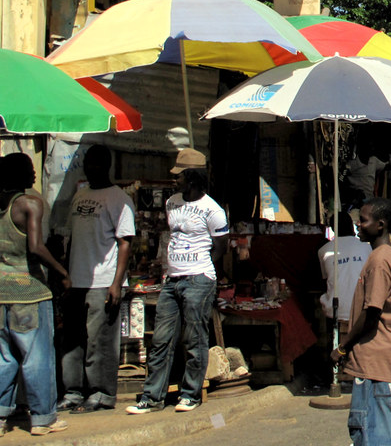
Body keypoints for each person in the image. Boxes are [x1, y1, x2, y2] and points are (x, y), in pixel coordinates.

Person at [127, 149, 228, 414]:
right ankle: (152, 397)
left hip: (198, 280)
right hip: (171, 280)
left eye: (179, 176)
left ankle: (190, 394)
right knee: (161, 339)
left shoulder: (212, 210)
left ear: (192, 178)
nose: (175, 180)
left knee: (194, 339)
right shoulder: (171, 202)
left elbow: (220, 247)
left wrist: (201, 270)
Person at [58, 145, 135, 413]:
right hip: (77, 280)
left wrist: (116, 283)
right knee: (73, 340)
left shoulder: (119, 199)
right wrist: (67, 276)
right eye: (88, 164)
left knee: (99, 341)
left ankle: (101, 393)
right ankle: (73, 391)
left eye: (96, 164)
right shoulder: (80, 196)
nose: (90, 169)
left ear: (107, 166)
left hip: (103, 281)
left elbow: (125, 242)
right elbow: (70, 238)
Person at [335, 198, 391, 446]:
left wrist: (342, 346)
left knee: (372, 434)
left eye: (363, 220)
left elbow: (372, 313)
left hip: (376, 362)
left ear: (380, 225)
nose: (357, 225)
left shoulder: (380, 260)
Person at [0, 153, 70, 436]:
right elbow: (35, 247)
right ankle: (43, 418)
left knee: (5, 357)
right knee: (37, 356)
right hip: (29, 291)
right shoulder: (30, 203)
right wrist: (61, 272)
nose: (33, 173)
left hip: (1, 291)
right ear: (19, 174)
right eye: (29, 168)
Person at [318, 213, 370, 337]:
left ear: (332, 229)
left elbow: (325, 279)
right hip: (363, 308)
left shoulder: (324, 250)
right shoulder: (366, 247)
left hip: (337, 310)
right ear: (352, 226)